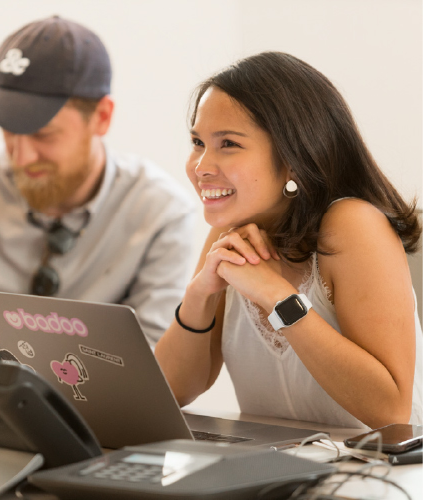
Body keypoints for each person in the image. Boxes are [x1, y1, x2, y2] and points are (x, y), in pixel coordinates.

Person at [155, 51, 422, 429]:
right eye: (198, 142)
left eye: (227, 144)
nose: (201, 167)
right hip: (279, 474)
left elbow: (390, 413)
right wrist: (201, 294)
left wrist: (276, 296)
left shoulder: (352, 225)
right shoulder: (229, 234)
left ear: (294, 157)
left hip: (384, 477)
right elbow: (172, 390)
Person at [0, 16, 196, 346]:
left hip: (93, 399)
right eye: (8, 129)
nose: (21, 157)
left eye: (43, 135)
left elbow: (157, 365)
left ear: (102, 117)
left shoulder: (160, 215)